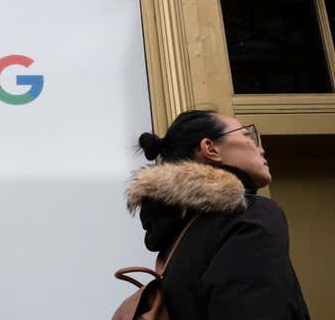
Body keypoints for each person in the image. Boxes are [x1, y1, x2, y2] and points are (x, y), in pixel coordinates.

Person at [127, 110, 310, 320]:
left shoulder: (176, 244)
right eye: (247, 135)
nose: (261, 149)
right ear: (210, 148)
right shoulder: (250, 214)